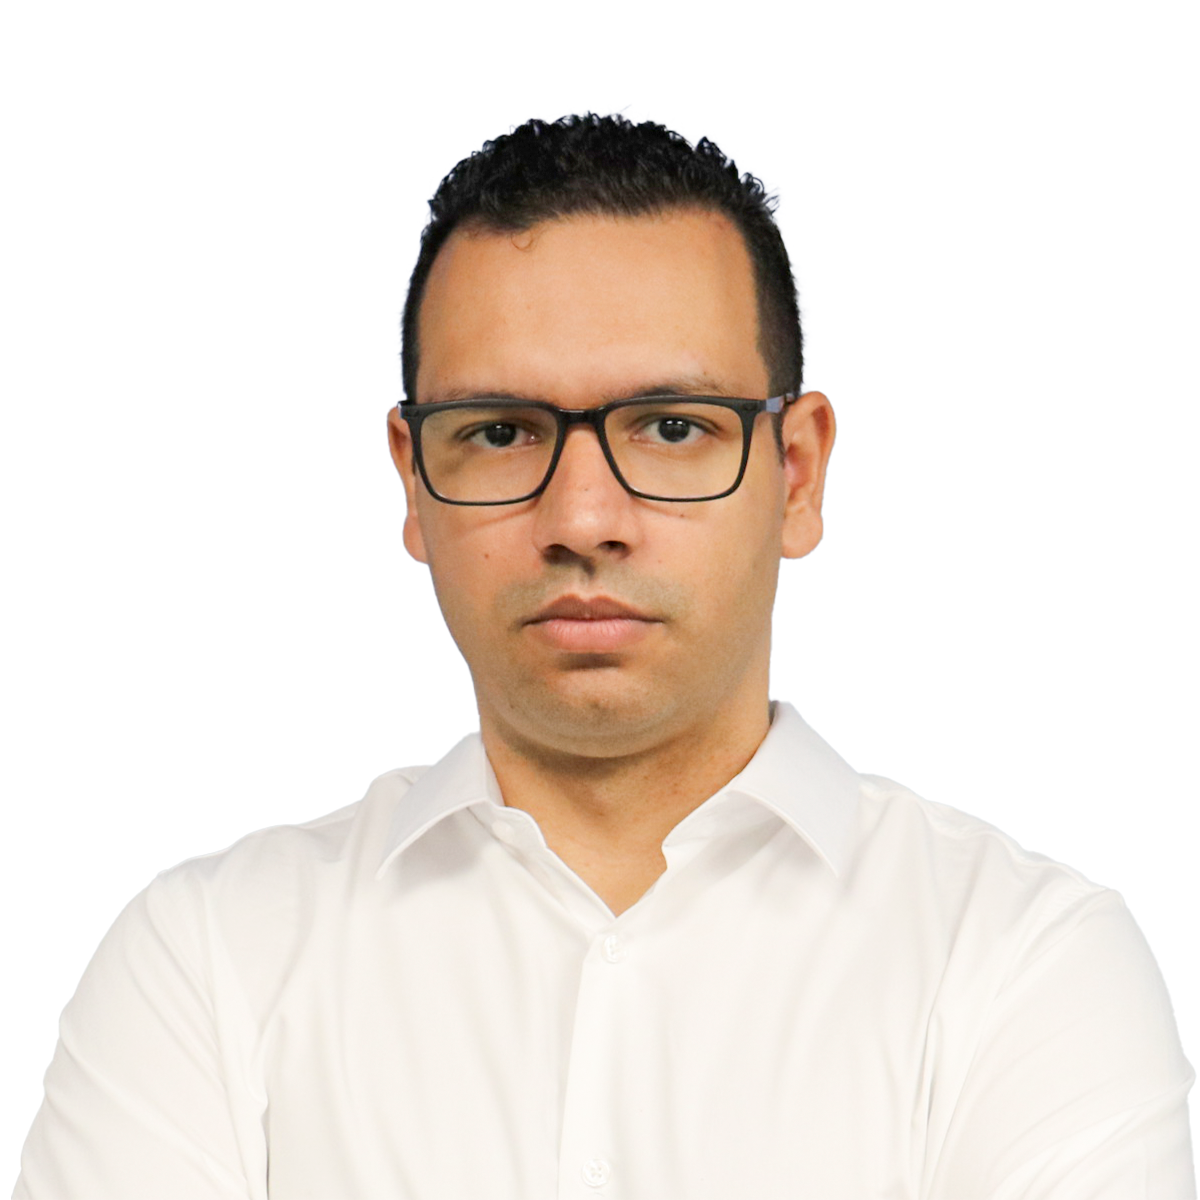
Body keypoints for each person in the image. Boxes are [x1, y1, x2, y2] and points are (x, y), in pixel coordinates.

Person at [14, 114, 1195, 1200]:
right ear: (414, 483)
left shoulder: (1024, 965)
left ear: (796, 474)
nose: (583, 517)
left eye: (671, 427)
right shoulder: (208, 964)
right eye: (500, 432)